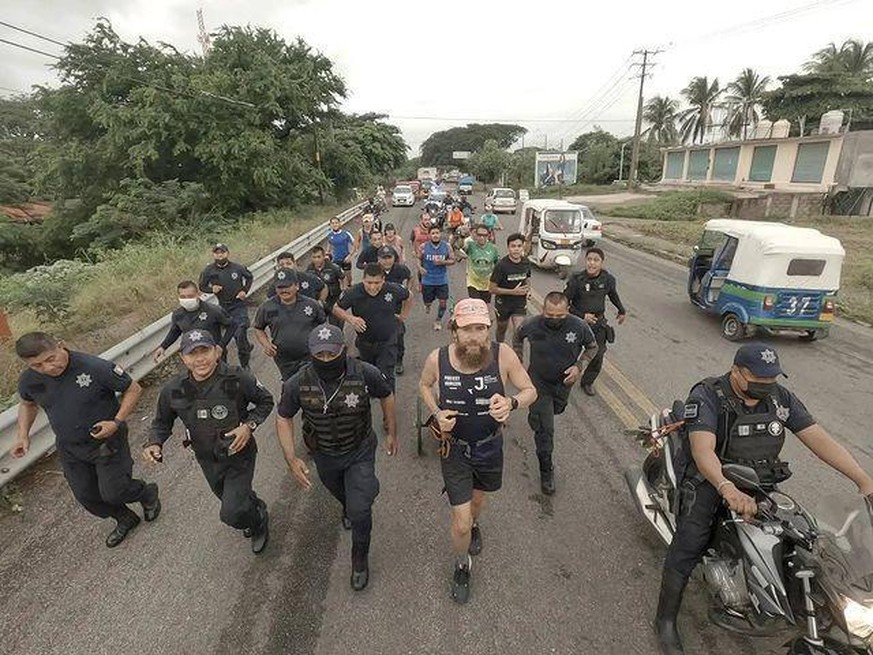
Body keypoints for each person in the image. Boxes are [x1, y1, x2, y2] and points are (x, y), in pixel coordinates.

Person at [655, 343, 873, 655]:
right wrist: (725, 487)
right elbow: (703, 451)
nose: (766, 385)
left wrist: (863, 480)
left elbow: (818, 438)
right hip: (710, 480)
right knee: (689, 544)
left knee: (805, 538)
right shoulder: (708, 395)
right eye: (758, 379)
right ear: (736, 373)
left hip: (760, 481)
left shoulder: (779, 398)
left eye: (771, 379)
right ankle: (665, 620)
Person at [418, 298, 537, 604]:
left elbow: (529, 390)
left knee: (477, 503)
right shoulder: (438, 359)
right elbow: (424, 386)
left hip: (489, 447)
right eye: (467, 328)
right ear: (454, 330)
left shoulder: (503, 355)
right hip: (454, 450)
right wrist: (436, 413)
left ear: (487, 331)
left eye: (480, 329)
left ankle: (474, 524)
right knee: (459, 521)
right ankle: (461, 564)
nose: (474, 335)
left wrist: (510, 403)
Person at [276, 324, 397, 591]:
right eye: (320, 356)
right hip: (324, 453)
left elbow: (386, 395)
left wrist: (392, 431)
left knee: (360, 509)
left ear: (343, 349)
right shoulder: (298, 382)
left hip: (360, 449)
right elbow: (284, 417)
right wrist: (291, 458)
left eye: (332, 354)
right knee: (341, 494)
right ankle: (349, 502)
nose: (326, 360)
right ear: (311, 354)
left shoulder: (365, 373)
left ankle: (359, 558)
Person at [13, 332, 160, 548]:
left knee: (114, 491)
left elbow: (133, 388)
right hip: (70, 447)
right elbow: (28, 404)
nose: (47, 368)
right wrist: (22, 435)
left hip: (106, 441)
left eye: (50, 359)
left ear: (60, 345)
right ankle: (124, 517)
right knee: (87, 496)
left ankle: (146, 493)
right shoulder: (29, 380)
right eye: (37, 365)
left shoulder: (93, 367)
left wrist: (116, 422)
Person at [144, 330, 274, 554]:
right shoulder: (175, 389)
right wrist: (154, 443)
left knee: (231, 513)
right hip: (207, 459)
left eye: (205, 350)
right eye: (192, 353)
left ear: (216, 351)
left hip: (238, 455)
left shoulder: (236, 378)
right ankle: (251, 507)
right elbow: (161, 422)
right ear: (183, 358)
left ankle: (258, 520)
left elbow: (265, 401)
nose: (200, 358)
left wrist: (248, 426)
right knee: (231, 500)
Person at [512, 292, 598, 495]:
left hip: (563, 384)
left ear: (567, 311)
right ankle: (546, 470)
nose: (555, 320)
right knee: (546, 431)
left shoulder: (579, 326)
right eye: (550, 315)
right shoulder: (532, 324)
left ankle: (538, 417)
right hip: (537, 383)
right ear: (543, 311)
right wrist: (518, 362)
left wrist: (579, 367)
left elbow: (592, 347)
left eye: (560, 316)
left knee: (555, 411)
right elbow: (517, 336)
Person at [332, 263, 412, 392]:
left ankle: (388, 403)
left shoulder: (392, 289)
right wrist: (350, 319)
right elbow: (336, 308)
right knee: (369, 374)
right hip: (365, 342)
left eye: (377, 283)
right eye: (369, 282)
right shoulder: (353, 292)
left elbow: (409, 296)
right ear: (363, 279)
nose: (372, 287)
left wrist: (403, 316)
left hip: (387, 342)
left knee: (387, 378)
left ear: (383, 280)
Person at [563, 247, 626, 397]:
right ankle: (565, 377)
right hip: (577, 323)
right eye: (589, 259)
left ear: (601, 262)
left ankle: (587, 382)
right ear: (585, 261)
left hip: (598, 323)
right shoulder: (576, 279)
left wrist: (621, 310)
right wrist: (581, 315)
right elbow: (564, 303)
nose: (592, 263)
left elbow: (613, 295)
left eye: (596, 260)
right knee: (569, 353)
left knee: (597, 355)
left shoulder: (608, 279)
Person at [253, 269, 326, 381]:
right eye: (280, 287)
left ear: (297, 286)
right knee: (291, 386)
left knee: (312, 384)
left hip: (310, 356)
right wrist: (266, 344)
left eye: (287, 286)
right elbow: (258, 328)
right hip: (284, 360)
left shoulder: (312, 305)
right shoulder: (267, 307)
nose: (284, 290)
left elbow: (323, 325)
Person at [198, 243, 254, 369]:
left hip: (238, 305)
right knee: (220, 340)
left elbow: (249, 277)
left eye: (222, 252)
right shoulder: (208, 271)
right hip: (222, 307)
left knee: (239, 332)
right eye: (217, 253)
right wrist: (211, 289)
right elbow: (201, 286)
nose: (220, 255)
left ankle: (245, 365)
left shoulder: (237, 268)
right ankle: (224, 367)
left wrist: (244, 290)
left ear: (227, 253)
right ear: (214, 255)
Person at [153, 280, 236, 362]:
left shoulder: (213, 310)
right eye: (183, 297)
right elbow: (174, 332)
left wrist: (221, 346)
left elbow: (232, 325)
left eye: (190, 296)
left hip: (214, 355)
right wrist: (163, 347)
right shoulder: (178, 315)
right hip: (193, 357)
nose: (187, 299)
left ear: (198, 294)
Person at [377, 245, 414, 375]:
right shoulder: (374, 270)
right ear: (378, 259)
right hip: (378, 309)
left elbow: (411, 276)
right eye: (383, 258)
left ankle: (399, 360)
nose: (387, 261)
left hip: (396, 309)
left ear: (394, 258)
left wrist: (407, 290)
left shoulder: (400, 269)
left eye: (389, 257)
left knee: (398, 335)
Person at [489, 232, 531, 343]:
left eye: (519, 246)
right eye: (513, 246)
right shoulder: (501, 266)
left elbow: (527, 279)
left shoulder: (526, 262)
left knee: (518, 330)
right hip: (503, 303)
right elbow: (492, 289)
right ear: (508, 248)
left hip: (519, 303)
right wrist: (513, 291)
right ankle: (499, 346)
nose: (516, 249)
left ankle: (517, 356)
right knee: (502, 328)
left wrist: (529, 290)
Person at [419, 225, 455, 331]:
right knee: (427, 301)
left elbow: (453, 260)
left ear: (440, 234)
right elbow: (417, 258)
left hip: (441, 279)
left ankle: (438, 320)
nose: (435, 235)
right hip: (427, 280)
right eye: (433, 233)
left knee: (443, 302)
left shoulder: (447, 246)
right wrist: (420, 267)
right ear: (429, 235)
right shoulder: (423, 246)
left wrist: (443, 262)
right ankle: (428, 305)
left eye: (437, 233)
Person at [457, 224, 500, 304]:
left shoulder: (493, 249)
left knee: (484, 306)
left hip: (487, 284)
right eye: (479, 235)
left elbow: (498, 265)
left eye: (484, 235)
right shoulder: (470, 245)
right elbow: (458, 247)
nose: (482, 238)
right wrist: (461, 235)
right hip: (473, 283)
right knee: (476, 304)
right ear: (475, 235)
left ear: (488, 235)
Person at [308, 245, 345, 327]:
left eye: (319, 257)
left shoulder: (333, 267)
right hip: (319, 302)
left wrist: (343, 292)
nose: (316, 259)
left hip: (333, 301)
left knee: (336, 325)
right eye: (314, 257)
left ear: (324, 256)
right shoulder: (309, 270)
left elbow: (343, 278)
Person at [326, 217, 356, 289]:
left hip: (346, 259)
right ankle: (342, 292)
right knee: (340, 278)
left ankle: (349, 287)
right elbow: (328, 248)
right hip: (336, 260)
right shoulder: (330, 236)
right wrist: (327, 257)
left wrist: (350, 256)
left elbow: (355, 245)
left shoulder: (346, 234)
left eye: (336, 223)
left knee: (349, 278)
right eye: (332, 223)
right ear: (330, 225)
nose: (335, 225)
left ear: (339, 224)